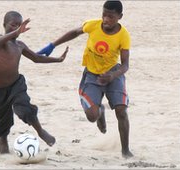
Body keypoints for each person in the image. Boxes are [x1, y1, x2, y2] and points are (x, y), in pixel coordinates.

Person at [37, 0, 133, 158]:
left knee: (121, 110)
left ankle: (125, 151)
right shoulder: (93, 25)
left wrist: (112, 76)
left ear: (120, 17)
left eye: (111, 16)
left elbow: (125, 65)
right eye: (104, 15)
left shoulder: (124, 35)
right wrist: (52, 45)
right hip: (92, 74)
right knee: (92, 116)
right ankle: (100, 112)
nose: (106, 20)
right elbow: (74, 32)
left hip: (113, 73)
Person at [0, 11, 69, 154]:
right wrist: (16, 32)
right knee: (1, 129)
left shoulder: (20, 45)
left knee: (25, 108)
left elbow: (36, 58)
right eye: (13, 25)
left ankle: (40, 131)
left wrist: (57, 60)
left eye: (19, 26)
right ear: (4, 25)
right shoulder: (0, 41)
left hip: (16, 85)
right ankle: (4, 154)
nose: (17, 28)